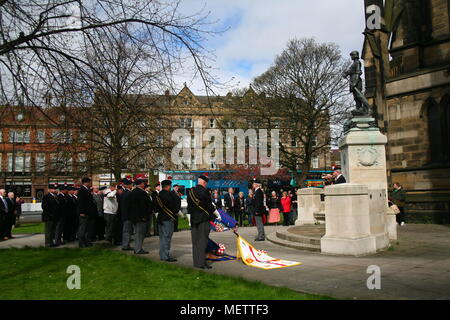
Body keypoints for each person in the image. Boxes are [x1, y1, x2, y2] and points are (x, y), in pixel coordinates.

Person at [187, 175, 221, 269]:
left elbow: (189, 207)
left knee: (195, 242)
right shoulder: (204, 191)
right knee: (202, 241)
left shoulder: (191, 191)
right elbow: (209, 206)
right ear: (204, 183)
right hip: (203, 219)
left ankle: (196, 263)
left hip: (194, 219)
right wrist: (217, 214)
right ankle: (202, 263)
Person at [156, 180, 181, 262]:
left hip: (161, 217)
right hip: (167, 217)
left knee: (162, 238)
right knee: (166, 238)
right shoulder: (168, 195)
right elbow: (173, 205)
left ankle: (163, 254)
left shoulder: (159, 194)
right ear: (168, 186)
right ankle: (165, 256)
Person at [129, 179, 152, 254]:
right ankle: (138, 249)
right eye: (143, 183)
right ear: (141, 184)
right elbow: (142, 206)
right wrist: (143, 216)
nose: (144, 184)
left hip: (135, 216)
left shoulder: (133, 191)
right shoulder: (141, 192)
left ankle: (137, 248)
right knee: (140, 234)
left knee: (137, 233)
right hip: (141, 217)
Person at [77, 177, 97, 248]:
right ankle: (81, 243)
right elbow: (81, 202)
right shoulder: (82, 190)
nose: (90, 183)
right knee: (83, 228)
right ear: (86, 182)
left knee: (87, 228)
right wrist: (82, 212)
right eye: (89, 182)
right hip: (84, 213)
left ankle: (86, 242)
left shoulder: (86, 190)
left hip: (88, 213)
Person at [121, 179, 134, 251]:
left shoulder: (124, 192)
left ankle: (126, 245)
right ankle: (125, 245)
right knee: (127, 231)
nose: (132, 186)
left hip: (125, 215)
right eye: (131, 184)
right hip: (128, 216)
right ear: (129, 185)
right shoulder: (128, 193)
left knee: (127, 231)